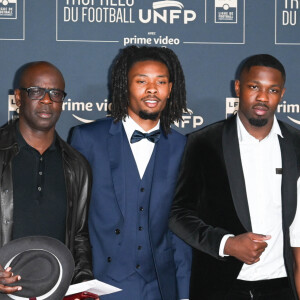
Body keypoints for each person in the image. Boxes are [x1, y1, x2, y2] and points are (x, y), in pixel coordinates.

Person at [169, 54, 300, 299]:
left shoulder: (297, 145)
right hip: (221, 286)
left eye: (272, 90)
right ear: (238, 87)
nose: (262, 97)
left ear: (282, 94)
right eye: (254, 87)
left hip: (282, 288)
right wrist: (226, 244)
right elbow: (177, 213)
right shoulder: (203, 143)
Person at [71, 46, 191, 300]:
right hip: (101, 286)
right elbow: (72, 220)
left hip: (159, 288)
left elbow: (181, 229)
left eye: (161, 81)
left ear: (170, 88)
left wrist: (183, 293)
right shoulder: (87, 139)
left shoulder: (182, 146)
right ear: (124, 87)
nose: (152, 89)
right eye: (141, 81)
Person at [0, 61, 94, 295]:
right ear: (19, 98)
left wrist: (83, 287)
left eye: (55, 93)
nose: (46, 100)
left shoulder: (77, 165)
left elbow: (79, 236)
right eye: (36, 91)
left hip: (53, 291)